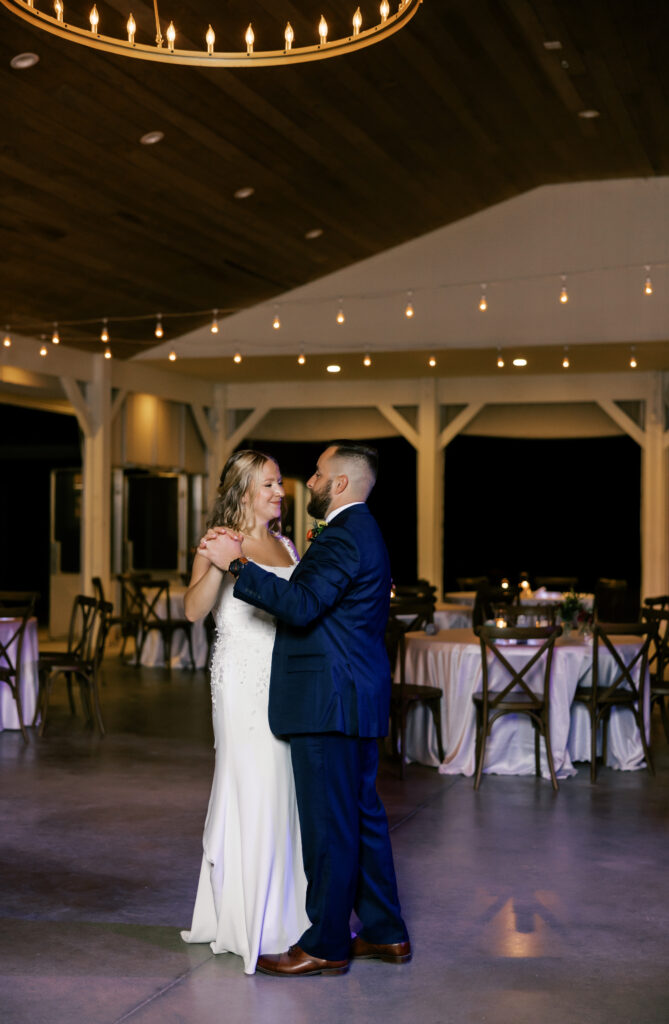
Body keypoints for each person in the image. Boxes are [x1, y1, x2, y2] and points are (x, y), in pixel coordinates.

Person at [199, 442, 411, 977]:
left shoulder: (339, 536)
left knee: (329, 826)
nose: (302, 483)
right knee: (361, 819)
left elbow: (301, 606)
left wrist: (238, 565)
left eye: (316, 474)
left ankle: (326, 944)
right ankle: (386, 934)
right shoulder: (362, 531)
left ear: (338, 484)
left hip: (329, 699)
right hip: (351, 695)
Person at [180, 450, 309, 975]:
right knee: (249, 785)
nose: (281, 492)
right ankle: (244, 918)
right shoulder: (217, 539)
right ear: (243, 489)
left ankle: (288, 915)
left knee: (284, 788)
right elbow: (193, 611)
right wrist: (217, 560)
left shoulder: (284, 543)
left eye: (280, 484)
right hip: (239, 680)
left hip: (284, 679)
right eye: (271, 484)